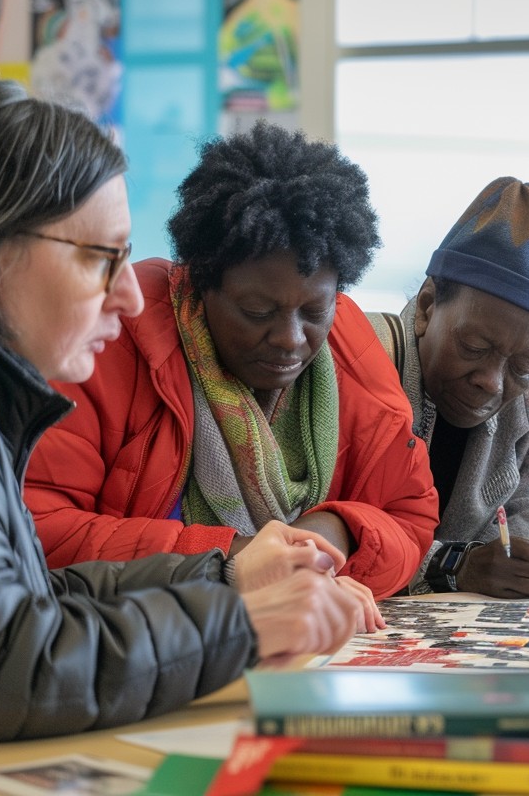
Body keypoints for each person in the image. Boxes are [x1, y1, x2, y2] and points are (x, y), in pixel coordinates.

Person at [0, 65, 367, 742]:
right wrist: (241, 626)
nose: (130, 295)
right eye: (99, 258)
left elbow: (40, 599)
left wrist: (227, 575)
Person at [25, 121, 437, 600]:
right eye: (257, 312)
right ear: (200, 286)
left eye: (314, 312)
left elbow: (411, 516)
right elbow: (39, 530)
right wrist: (232, 559)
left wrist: (335, 532)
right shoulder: (112, 337)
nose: (289, 339)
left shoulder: (351, 349)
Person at [389, 177, 529, 597]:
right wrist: (452, 565)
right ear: (427, 308)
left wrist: (519, 566)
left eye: (522, 366)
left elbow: (523, 537)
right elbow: (334, 538)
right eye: (473, 346)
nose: (491, 381)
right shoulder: (364, 368)